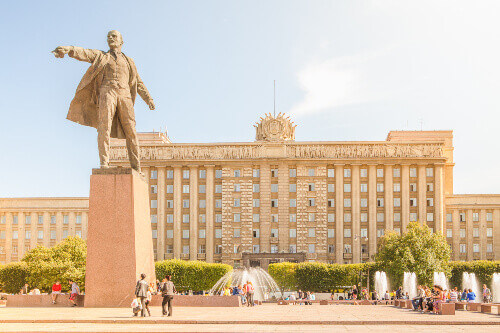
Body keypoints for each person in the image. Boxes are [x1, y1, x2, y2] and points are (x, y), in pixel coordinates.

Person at [52, 30, 155, 173]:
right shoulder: (101, 56)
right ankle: (104, 163)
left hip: (125, 94)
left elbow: (138, 83)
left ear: (121, 41)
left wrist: (148, 99)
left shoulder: (129, 61)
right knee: (104, 127)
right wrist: (69, 49)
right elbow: (85, 53)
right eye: (108, 37)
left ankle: (136, 167)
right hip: (107, 92)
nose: (110, 38)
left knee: (131, 130)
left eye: (114, 36)